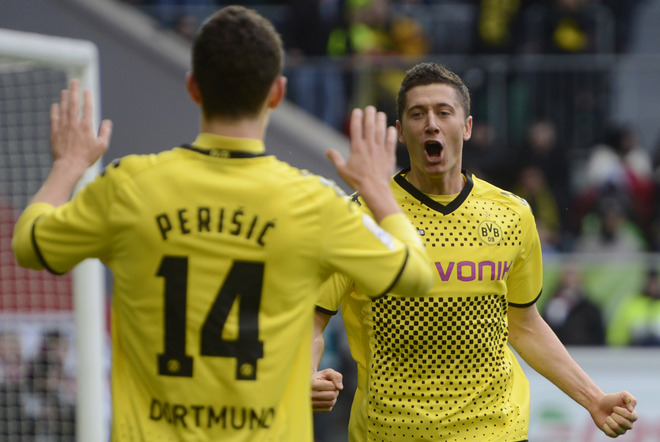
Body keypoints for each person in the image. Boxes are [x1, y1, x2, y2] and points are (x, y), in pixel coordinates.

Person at [11, 6, 434, 441]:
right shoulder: (314, 202)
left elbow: (29, 243)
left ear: (193, 87)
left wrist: (68, 165)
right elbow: (417, 275)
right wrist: (378, 189)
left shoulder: (129, 186)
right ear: (277, 93)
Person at [311, 62, 638, 441]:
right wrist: (306, 373)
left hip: (496, 431)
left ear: (466, 127)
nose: (431, 124)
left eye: (443, 112)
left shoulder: (512, 214)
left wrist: (594, 398)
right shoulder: (358, 217)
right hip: (391, 432)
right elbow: (312, 322)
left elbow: (524, 323)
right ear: (401, 133)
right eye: (417, 114)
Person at [607, 267, 660, 347]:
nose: (653, 286)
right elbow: (617, 335)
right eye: (651, 282)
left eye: (655, 282)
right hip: (634, 352)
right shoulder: (631, 304)